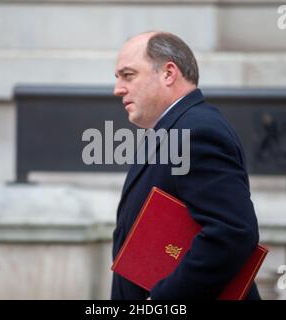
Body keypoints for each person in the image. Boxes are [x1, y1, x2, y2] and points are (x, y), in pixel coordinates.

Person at [111, 31, 261, 300]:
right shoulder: (175, 129)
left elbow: (232, 233)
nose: (118, 89)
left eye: (128, 75)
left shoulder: (196, 132)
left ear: (169, 73)